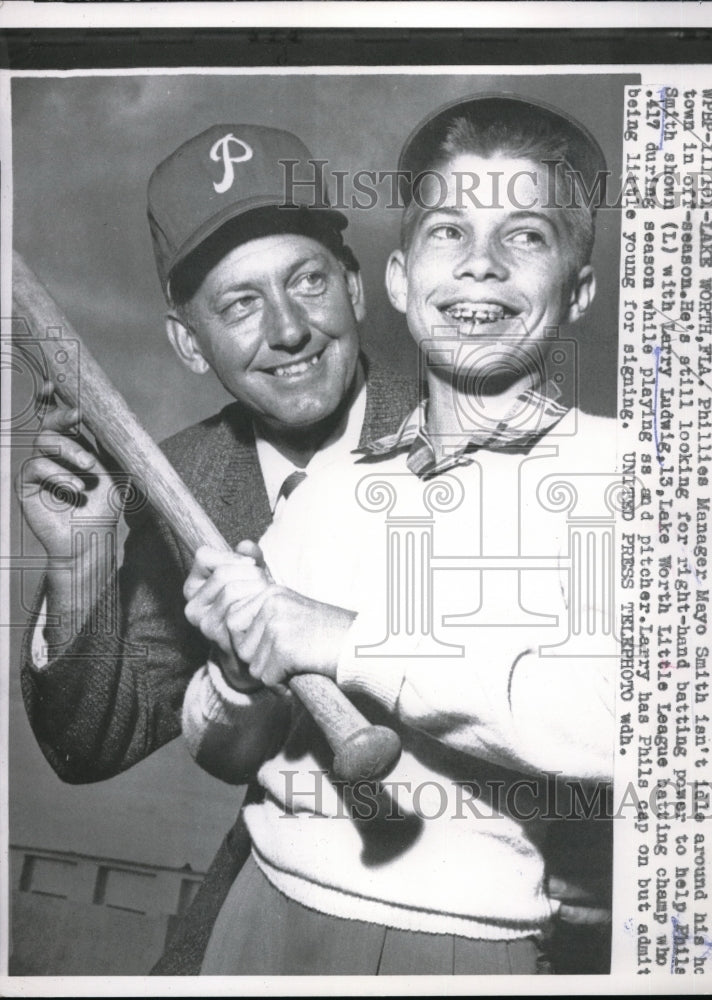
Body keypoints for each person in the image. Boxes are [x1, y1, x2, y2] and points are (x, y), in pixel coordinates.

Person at [180, 94, 619, 975]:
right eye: (448, 232)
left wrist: (343, 642)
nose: (480, 266)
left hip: (471, 946)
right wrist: (236, 675)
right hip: (262, 916)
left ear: (576, 290)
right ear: (396, 279)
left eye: (525, 235)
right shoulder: (331, 487)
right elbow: (224, 753)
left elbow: (614, 723)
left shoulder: (631, 479)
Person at [15, 122, 417, 974]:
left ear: (354, 287)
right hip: (285, 892)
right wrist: (80, 562)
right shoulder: (187, 477)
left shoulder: (471, 426)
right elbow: (92, 746)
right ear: (189, 343)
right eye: (238, 304)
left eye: (307, 281)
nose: (287, 329)